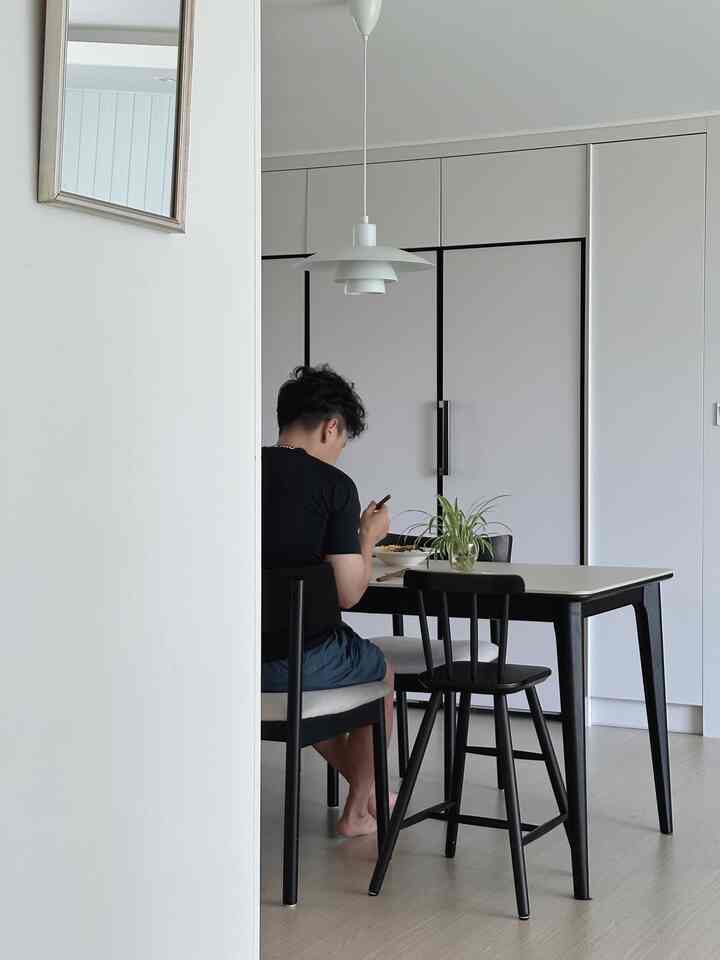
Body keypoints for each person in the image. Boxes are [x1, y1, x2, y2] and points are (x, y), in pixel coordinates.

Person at [262, 365, 394, 838]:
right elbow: (348, 594)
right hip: (295, 664)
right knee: (380, 672)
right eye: (343, 440)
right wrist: (367, 537)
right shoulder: (332, 486)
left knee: (321, 677)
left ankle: (368, 792)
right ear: (331, 427)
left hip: (226, 660)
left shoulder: (232, 471)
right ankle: (359, 808)